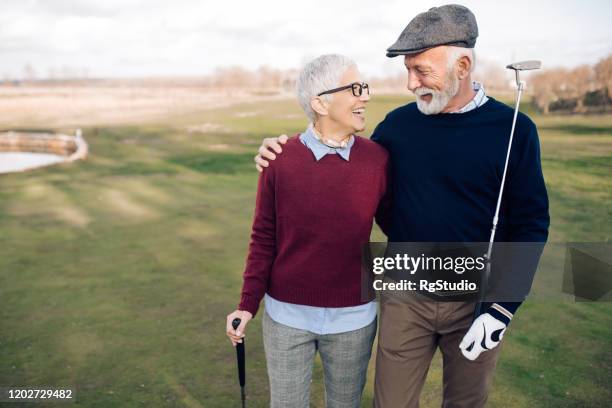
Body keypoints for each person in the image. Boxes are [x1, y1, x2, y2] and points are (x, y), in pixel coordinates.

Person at [253, 5, 549, 407]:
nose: (411, 83)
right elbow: (344, 156)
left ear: (462, 66)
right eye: (407, 70)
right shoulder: (396, 126)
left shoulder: (515, 129)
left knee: (466, 402)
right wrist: (281, 150)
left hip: (477, 295)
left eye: (421, 70)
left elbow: (531, 225)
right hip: (405, 291)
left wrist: (501, 309)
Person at [226, 54, 391, 408]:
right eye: (355, 88)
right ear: (320, 102)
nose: (365, 96)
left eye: (364, 88)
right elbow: (263, 237)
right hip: (286, 317)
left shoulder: (378, 159)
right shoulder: (278, 159)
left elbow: (404, 223)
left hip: (355, 318)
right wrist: (247, 304)